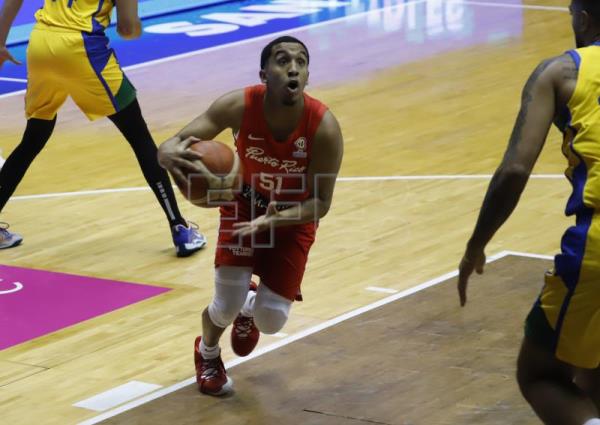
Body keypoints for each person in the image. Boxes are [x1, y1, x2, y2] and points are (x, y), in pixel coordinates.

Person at [158, 35, 344, 396]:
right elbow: (174, 142)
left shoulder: (323, 126)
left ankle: (251, 307)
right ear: (264, 73)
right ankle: (207, 353)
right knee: (223, 305)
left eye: (301, 62)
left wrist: (278, 219)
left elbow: (321, 202)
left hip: (294, 216)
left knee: (272, 320)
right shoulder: (238, 105)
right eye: (282, 60)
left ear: (306, 76)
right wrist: (166, 154)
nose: (292, 67)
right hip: (243, 204)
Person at [458, 1, 600, 424]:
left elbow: (515, 169)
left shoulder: (560, 71)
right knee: (594, 374)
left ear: (583, 18)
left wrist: (475, 246)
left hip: (596, 247)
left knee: (539, 374)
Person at [0, 0, 206, 256]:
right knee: (139, 138)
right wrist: (134, 25)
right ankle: (180, 228)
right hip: (81, 48)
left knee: (33, 139)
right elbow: (128, 29)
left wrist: (0, 42)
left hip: (41, 43)